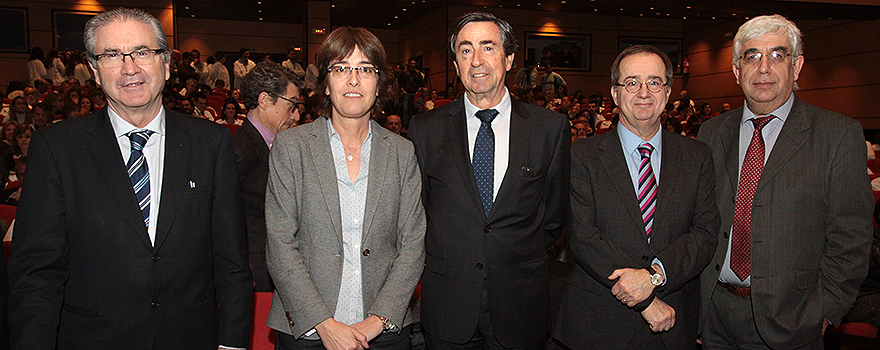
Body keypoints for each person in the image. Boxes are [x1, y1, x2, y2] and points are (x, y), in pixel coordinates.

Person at [6, 8, 253, 350]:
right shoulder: (57, 148)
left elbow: (232, 261)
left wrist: (232, 343)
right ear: (94, 70)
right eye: (111, 55)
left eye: (142, 52)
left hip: (192, 338)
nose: (129, 67)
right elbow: (35, 275)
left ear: (165, 64)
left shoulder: (211, 143)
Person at [697, 14, 872, 350]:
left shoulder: (838, 135)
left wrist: (823, 312)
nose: (763, 68)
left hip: (793, 321)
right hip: (714, 315)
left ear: (797, 67)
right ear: (737, 70)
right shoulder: (711, 132)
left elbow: (851, 238)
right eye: (752, 56)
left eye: (778, 55)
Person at [408, 12, 569, 349]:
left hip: (521, 304)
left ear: (509, 58)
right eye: (465, 50)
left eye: (488, 47)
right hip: (448, 304)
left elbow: (553, 218)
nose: (476, 60)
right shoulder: (425, 129)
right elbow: (419, 213)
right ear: (455, 64)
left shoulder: (548, 129)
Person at [265, 26, 425, 350]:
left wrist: (376, 321)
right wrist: (324, 324)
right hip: (308, 334)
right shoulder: (291, 147)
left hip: (385, 334)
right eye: (341, 68)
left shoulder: (402, 152)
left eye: (365, 69)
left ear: (379, 82)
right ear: (325, 82)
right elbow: (279, 243)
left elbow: (413, 245)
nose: (353, 80)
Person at [554, 45, 720, 350]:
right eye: (632, 83)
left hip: (671, 321)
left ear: (668, 92)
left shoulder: (697, 156)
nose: (644, 92)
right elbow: (583, 236)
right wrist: (645, 300)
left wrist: (655, 277)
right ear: (615, 94)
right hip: (598, 324)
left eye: (654, 82)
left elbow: (705, 233)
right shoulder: (581, 156)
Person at [232, 61, 301, 293]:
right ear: (264, 100)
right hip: (256, 276)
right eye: (292, 106)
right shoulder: (238, 151)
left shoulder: (281, 147)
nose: (297, 115)